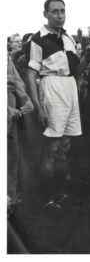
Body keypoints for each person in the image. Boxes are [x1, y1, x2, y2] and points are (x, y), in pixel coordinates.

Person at [27, 0, 84, 184]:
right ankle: (46, 191)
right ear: (46, 14)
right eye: (55, 12)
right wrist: (38, 107)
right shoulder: (38, 39)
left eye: (63, 11)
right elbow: (30, 74)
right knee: (52, 145)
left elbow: (75, 70)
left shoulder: (69, 38)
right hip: (51, 87)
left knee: (66, 143)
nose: (60, 15)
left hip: (70, 88)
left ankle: (62, 190)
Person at [7, 55, 34, 207]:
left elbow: (16, 80)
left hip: (10, 99)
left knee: (12, 155)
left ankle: (9, 200)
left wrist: (26, 99)